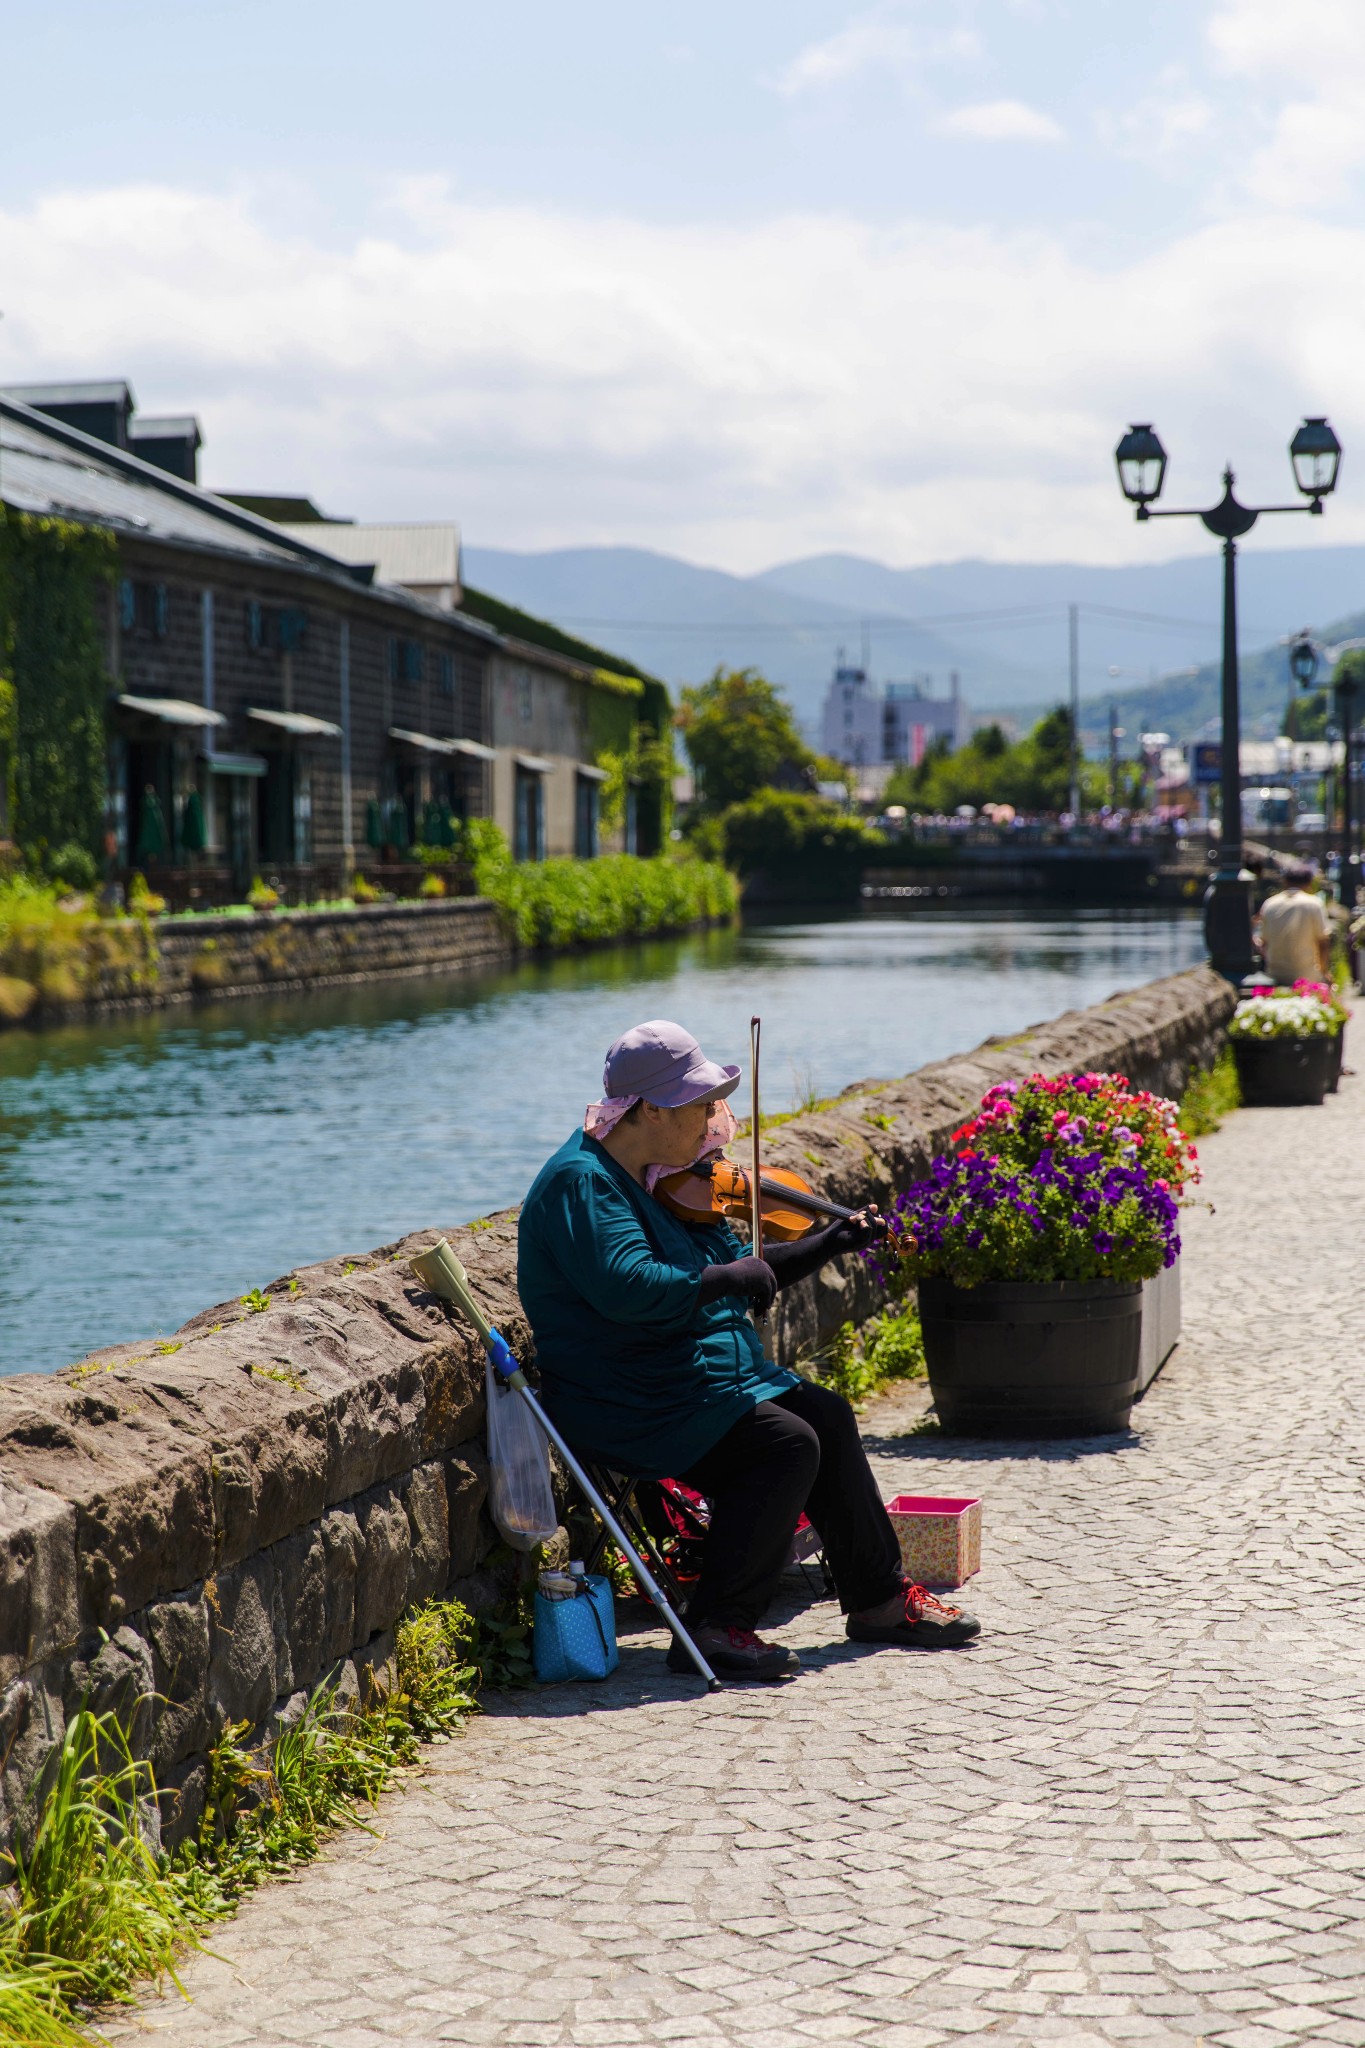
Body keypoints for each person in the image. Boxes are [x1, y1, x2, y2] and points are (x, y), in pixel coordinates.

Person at [517, 1019, 980, 1681]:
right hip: (626, 1398)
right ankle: (713, 1625)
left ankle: (877, 1596)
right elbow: (628, 1289)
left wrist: (822, 1245)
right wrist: (730, 1278)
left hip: (687, 1381)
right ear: (650, 1110)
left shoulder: (658, 1177)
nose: (715, 1121)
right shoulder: (583, 1183)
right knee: (783, 1443)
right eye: (702, 1106)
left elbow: (743, 1266)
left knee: (823, 1413)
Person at [1256, 864, 1331, 984]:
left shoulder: (1269, 904)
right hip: (1306, 975)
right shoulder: (1314, 904)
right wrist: (1324, 972)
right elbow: (1323, 942)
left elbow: (1263, 943)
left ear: (1285, 882)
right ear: (1309, 883)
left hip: (1274, 975)